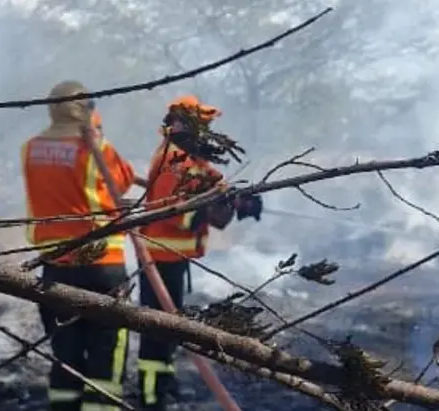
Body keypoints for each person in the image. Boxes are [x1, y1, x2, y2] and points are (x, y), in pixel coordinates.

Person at [136, 94, 262, 410]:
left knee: (169, 329)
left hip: (173, 258)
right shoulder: (171, 159)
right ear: (180, 124)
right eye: (201, 125)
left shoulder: (190, 159)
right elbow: (171, 212)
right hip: (159, 256)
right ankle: (152, 396)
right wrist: (211, 208)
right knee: (157, 330)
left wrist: (238, 199)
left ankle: (165, 386)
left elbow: (216, 189)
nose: (205, 131)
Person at [21, 80, 137, 411]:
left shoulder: (30, 148)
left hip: (55, 269)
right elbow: (124, 179)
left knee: (65, 356)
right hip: (103, 267)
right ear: (84, 110)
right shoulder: (94, 148)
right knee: (105, 357)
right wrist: (98, 139)